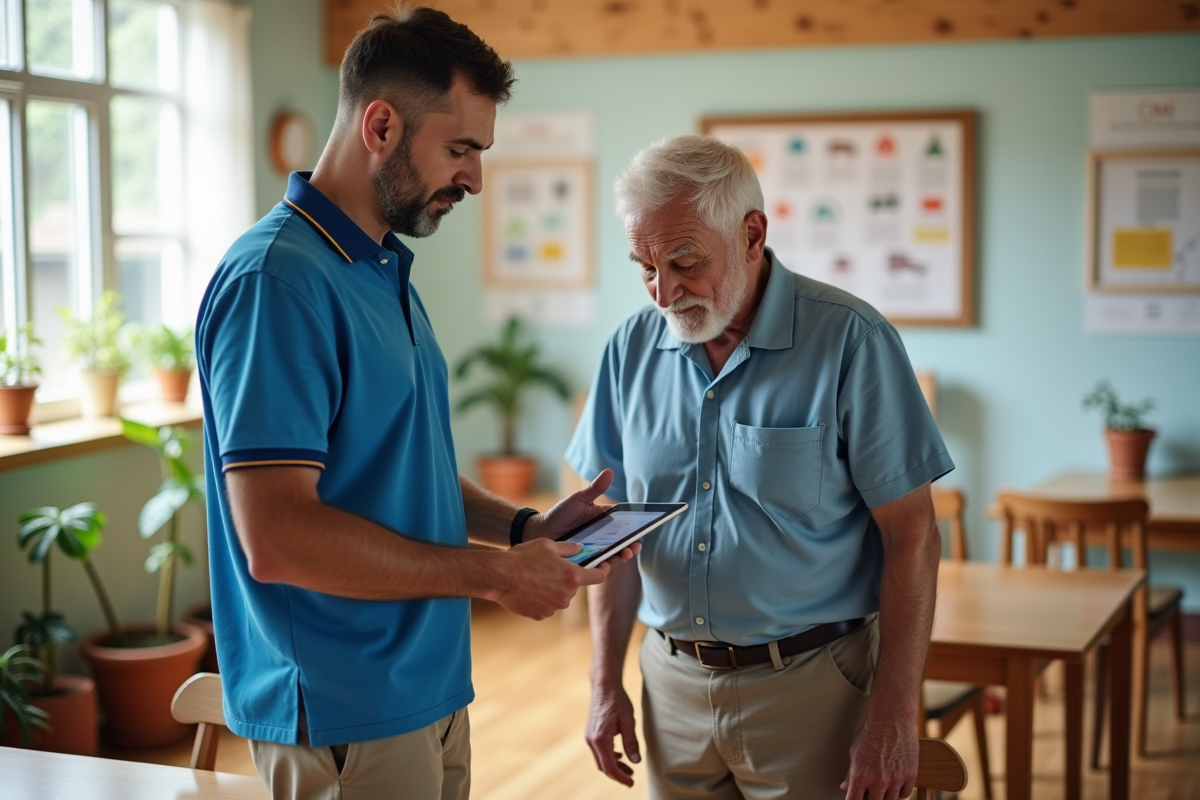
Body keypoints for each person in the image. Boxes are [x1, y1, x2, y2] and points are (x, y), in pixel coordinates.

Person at [196, 9, 631, 799]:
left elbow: (404, 470)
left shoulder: (380, 268)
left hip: (425, 690)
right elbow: (278, 536)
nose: (474, 177)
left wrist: (526, 529)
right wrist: (496, 578)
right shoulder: (277, 284)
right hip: (341, 710)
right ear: (382, 124)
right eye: (460, 149)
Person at [566, 134, 954, 800]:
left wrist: (894, 715)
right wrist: (605, 685)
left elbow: (912, 536)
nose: (664, 292)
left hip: (814, 689)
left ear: (752, 233)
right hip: (671, 687)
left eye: (684, 262)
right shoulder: (630, 349)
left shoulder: (850, 341)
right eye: (644, 266)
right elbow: (614, 531)